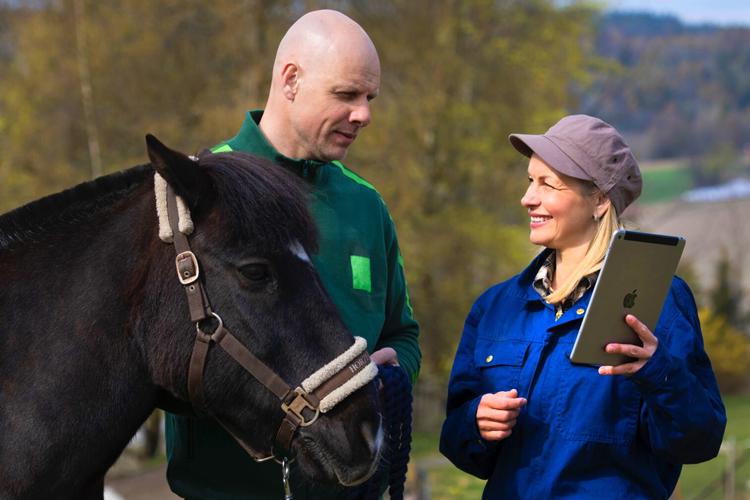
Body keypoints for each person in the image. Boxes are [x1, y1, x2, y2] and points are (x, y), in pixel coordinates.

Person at [165, 9, 421, 499]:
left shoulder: (366, 206)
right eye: (347, 94)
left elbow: (403, 334)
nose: (364, 113)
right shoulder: (197, 192)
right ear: (290, 80)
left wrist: (393, 369)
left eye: (369, 98)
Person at [439, 114, 726, 498]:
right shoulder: (495, 307)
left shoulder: (660, 300)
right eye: (529, 181)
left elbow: (699, 440)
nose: (528, 198)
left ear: (600, 200)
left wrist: (658, 372)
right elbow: (462, 447)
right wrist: (475, 424)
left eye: (548, 184)